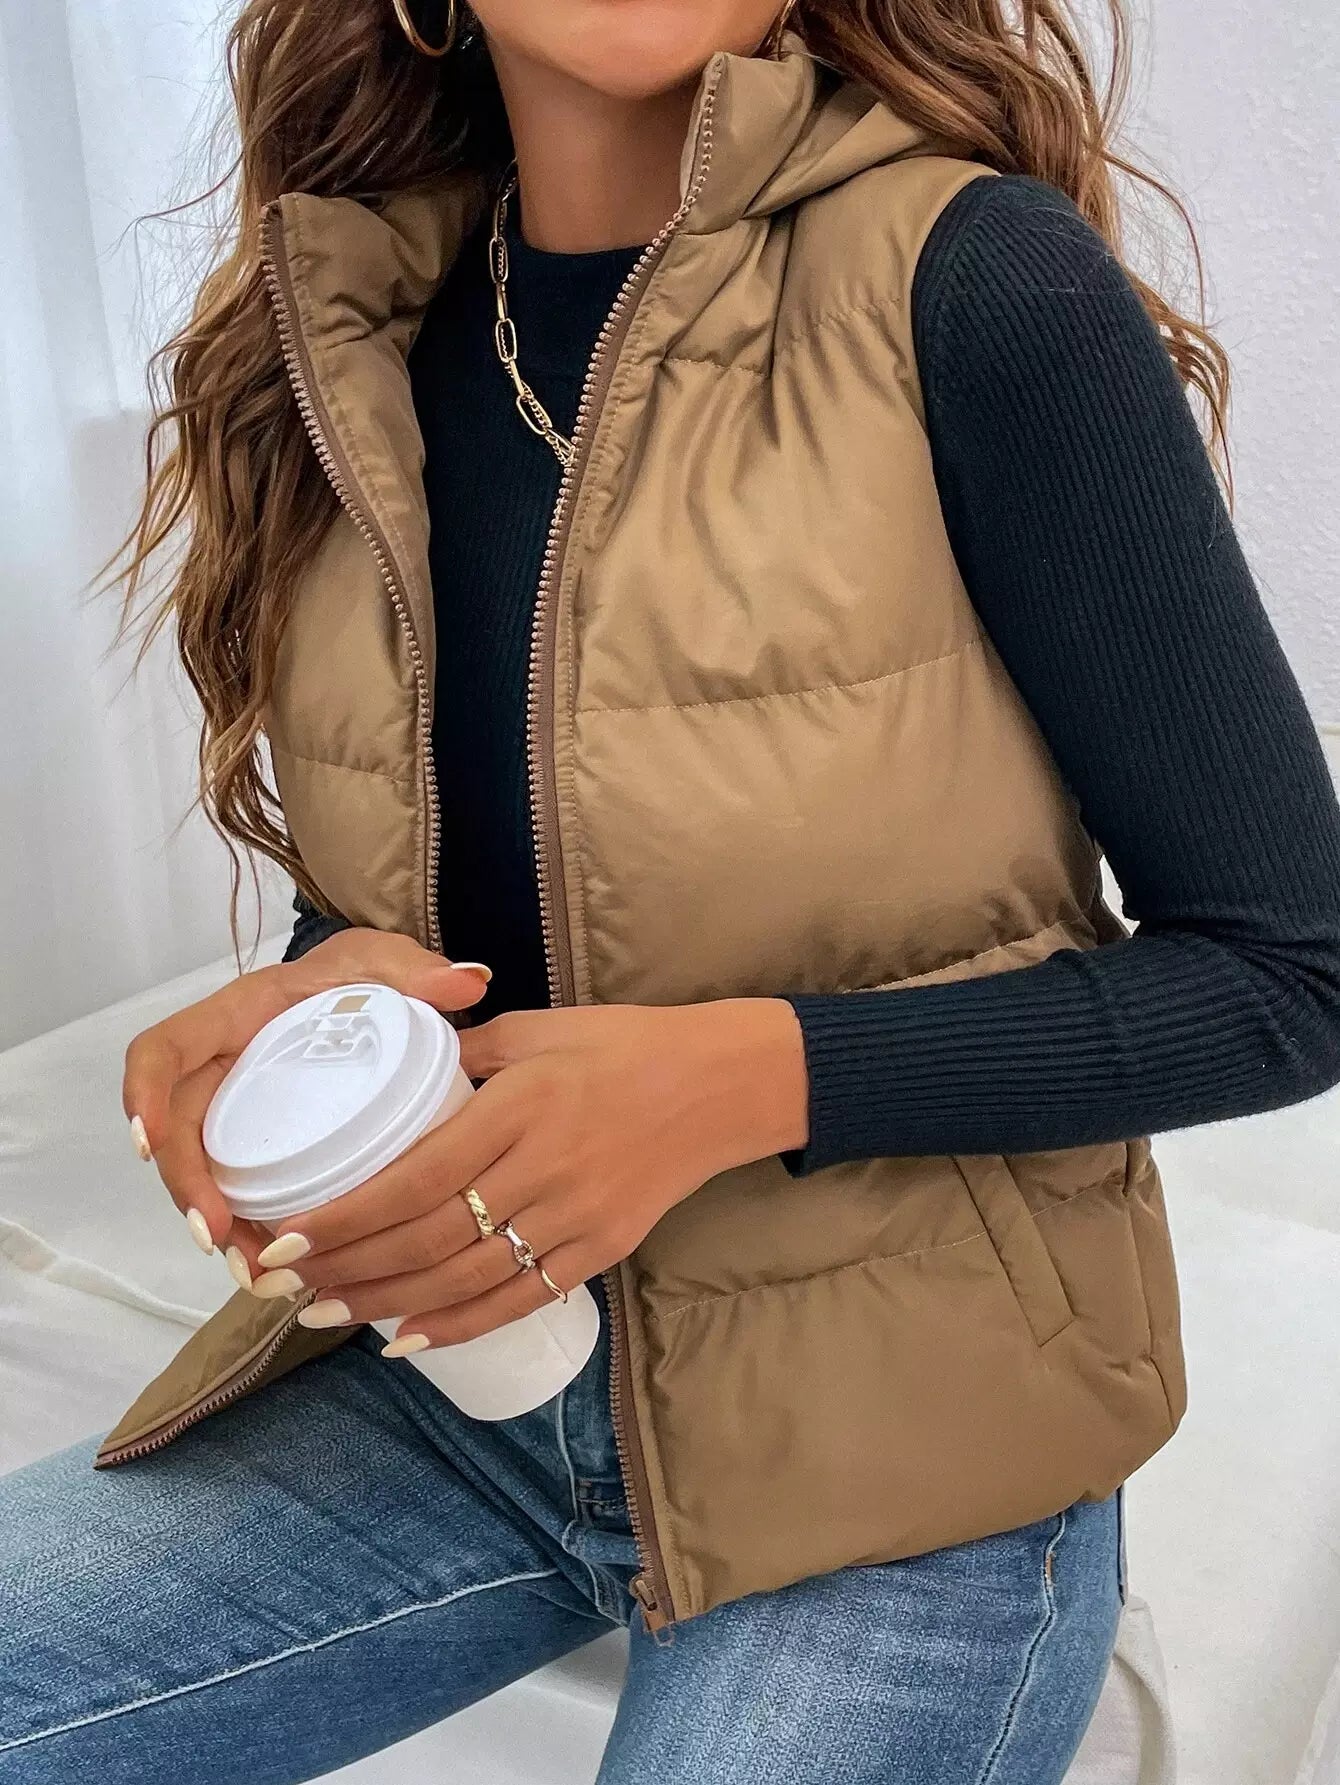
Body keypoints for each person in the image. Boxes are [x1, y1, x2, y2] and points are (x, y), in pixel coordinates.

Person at [4, 2, 1339, 1780]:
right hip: (465, 1381)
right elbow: (489, 888)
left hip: (910, 1441)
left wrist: (736, 1082)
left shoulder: (975, 285)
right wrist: (324, 1004)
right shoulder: (352, 325)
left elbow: (1291, 970)